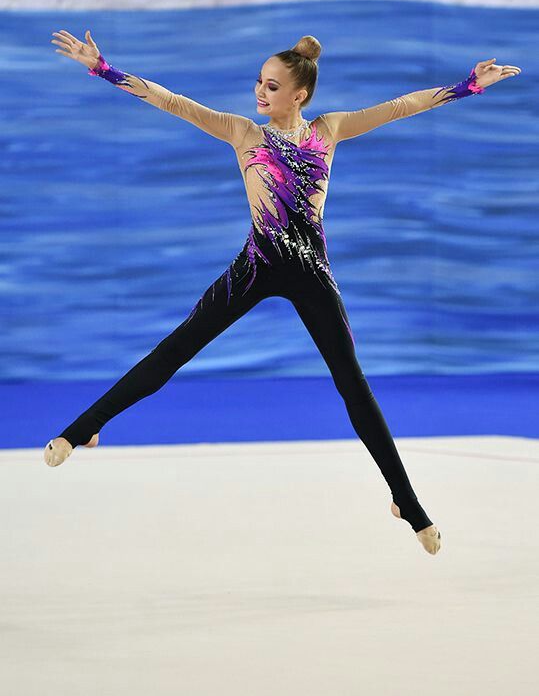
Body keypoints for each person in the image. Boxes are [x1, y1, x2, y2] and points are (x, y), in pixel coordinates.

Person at [45, 28, 521, 555]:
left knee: (352, 384)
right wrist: (101, 67)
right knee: (176, 349)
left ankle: (405, 499)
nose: (259, 93)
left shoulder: (329, 130)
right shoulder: (242, 133)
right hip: (256, 265)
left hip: (310, 272)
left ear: (299, 95)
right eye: (258, 83)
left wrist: (468, 87)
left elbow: (401, 106)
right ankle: (81, 429)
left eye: (271, 87)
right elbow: (170, 101)